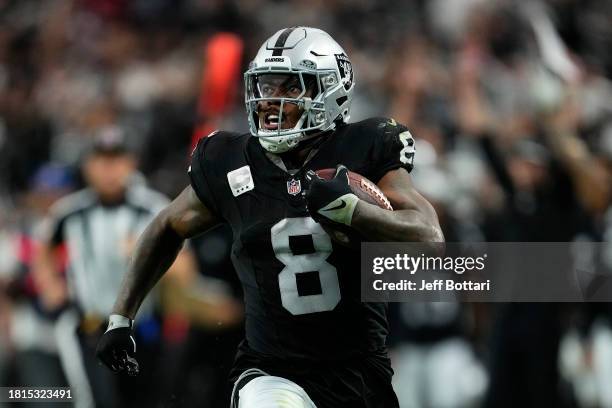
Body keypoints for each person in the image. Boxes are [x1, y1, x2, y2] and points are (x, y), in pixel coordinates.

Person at [96, 27, 443, 408]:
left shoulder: (367, 145)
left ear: (329, 89)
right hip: (272, 370)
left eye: (288, 88)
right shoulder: (229, 160)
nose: (268, 102)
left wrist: (353, 211)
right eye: (264, 87)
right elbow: (166, 226)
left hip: (359, 370)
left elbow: (429, 239)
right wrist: (121, 317)